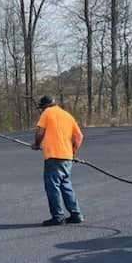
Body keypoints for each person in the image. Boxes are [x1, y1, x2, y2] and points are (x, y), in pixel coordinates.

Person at [31, 95, 84, 226]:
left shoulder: (47, 113)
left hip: (53, 157)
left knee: (52, 186)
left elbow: (40, 132)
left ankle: (57, 216)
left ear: (45, 106)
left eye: (41, 108)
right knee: (65, 185)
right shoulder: (67, 115)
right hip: (67, 157)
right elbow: (78, 136)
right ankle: (76, 214)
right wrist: (72, 152)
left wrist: (37, 144)